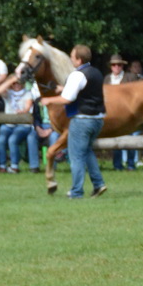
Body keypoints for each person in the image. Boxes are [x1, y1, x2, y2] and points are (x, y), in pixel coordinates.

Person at [46, 44, 107, 198]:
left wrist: (48, 100)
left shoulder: (77, 75)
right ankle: (98, 184)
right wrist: (63, 89)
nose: (71, 59)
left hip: (82, 120)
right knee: (86, 152)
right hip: (98, 120)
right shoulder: (96, 72)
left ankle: (76, 191)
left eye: (73, 56)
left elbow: (68, 99)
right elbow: (85, 91)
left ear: (79, 60)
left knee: (76, 156)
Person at [0, 66, 41, 172]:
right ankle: (2, 165)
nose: (16, 85)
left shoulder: (27, 93)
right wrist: (12, 79)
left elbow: (28, 106)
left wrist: (23, 111)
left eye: (19, 83)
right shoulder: (8, 94)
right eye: (14, 83)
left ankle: (14, 166)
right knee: (1, 140)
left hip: (23, 125)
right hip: (9, 124)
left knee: (13, 139)